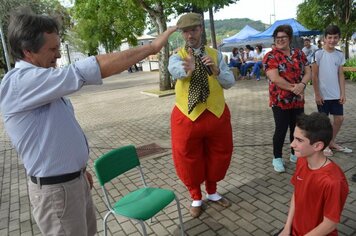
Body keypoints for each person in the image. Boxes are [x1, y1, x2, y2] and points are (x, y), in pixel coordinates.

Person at [0, 10, 176, 236]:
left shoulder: (43, 81)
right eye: (52, 49)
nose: (58, 56)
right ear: (27, 51)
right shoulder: (20, 83)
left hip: (72, 183)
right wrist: (151, 48)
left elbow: (55, 133)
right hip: (57, 190)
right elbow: (85, 70)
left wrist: (79, 170)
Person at [168, 12, 235, 218]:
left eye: (194, 30)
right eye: (186, 31)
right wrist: (188, 68)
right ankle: (196, 196)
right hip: (187, 116)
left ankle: (212, 192)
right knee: (188, 157)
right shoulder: (176, 56)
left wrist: (216, 70)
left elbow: (229, 82)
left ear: (201, 30)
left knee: (219, 154)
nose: (190, 35)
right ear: (182, 34)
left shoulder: (215, 55)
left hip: (216, 113)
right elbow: (176, 71)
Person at [277, 112, 349, 236]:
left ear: (317, 146)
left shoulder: (333, 181)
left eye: (299, 140)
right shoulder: (302, 160)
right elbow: (297, 194)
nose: (292, 144)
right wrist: (287, 227)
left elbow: (330, 224)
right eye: (294, 138)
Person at [263, 24, 311, 173]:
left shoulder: (299, 54)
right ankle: (277, 158)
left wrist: (302, 84)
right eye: (277, 38)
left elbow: (308, 71)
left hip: (297, 99)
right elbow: (275, 78)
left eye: (283, 37)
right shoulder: (271, 56)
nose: (280, 40)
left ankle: (294, 154)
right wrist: (294, 88)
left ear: (289, 38)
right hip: (280, 100)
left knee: (296, 129)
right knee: (281, 129)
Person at [312, 25, 352, 157]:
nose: (332, 40)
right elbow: (314, 76)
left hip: (336, 94)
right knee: (325, 122)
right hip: (323, 95)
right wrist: (317, 94)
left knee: (339, 119)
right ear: (324, 38)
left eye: (335, 37)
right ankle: (324, 145)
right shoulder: (318, 54)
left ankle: (331, 142)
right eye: (330, 37)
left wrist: (343, 93)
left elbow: (340, 75)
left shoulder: (339, 54)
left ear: (339, 38)